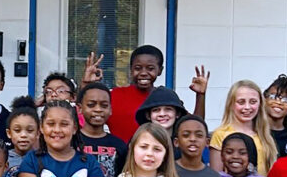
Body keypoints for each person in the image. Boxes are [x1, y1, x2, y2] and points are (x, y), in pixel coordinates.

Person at [80, 48, 208, 143]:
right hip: (121, 161)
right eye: (138, 68)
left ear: (160, 70)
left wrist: (200, 95)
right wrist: (86, 85)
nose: (143, 73)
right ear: (130, 69)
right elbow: (82, 116)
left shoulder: (165, 98)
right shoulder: (115, 96)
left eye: (150, 68)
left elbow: (194, 126)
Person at [209, 80, 277, 175]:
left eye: (253, 102)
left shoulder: (264, 135)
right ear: (231, 104)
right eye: (241, 102)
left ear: (260, 104)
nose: (247, 107)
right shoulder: (220, 134)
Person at [5, 96, 40, 177]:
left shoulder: (42, 159)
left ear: (38, 133)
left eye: (30, 130)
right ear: (9, 133)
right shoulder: (3, 159)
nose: (23, 135)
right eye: (17, 130)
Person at [263, 74, 287, 158]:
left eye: (286, 100)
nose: (279, 102)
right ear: (264, 100)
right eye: (273, 96)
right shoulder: (254, 130)